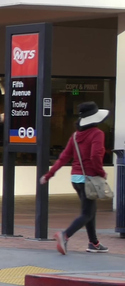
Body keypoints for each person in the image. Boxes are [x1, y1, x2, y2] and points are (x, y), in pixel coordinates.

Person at [41, 101, 111, 254]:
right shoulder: (97, 134)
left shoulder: (75, 136)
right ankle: (65, 235)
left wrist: (49, 174)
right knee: (87, 213)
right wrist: (101, 173)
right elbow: (95, 156)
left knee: (89, 211)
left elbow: (63, 157)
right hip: (90, 179)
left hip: (76, 179)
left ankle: (94, 243)